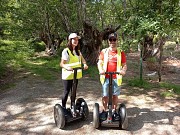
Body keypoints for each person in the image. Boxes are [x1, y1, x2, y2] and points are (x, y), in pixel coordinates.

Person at [97, 32, 127, 115]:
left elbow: (124, 65)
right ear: (108, 41)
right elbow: (99, 62)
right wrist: (101, 70)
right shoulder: (104, 51)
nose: (112, 42)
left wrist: (123, 71)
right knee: (105, 95)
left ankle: (114, 110)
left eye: (114, 40)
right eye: (111, 40)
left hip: (116, 77)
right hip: (106, 76)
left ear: (117, 40)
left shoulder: (121, 52)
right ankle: (105, 109)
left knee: (115, 95)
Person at [60, 33, 88, 108]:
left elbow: (83, 60)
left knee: (74, 91)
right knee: (66, 91)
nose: (76, 41)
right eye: (74, 39)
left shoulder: (78, 51)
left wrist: (85, 64)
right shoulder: (66, 51)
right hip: (67, 75)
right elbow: (62, 64)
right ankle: (63, 107)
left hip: (76, 75)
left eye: (77, 40)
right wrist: (67, 67)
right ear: (70, 40)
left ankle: (73, 106)